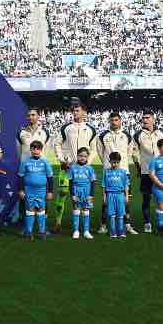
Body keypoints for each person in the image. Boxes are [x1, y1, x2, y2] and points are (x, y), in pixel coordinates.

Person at [55, 102, 97, 233]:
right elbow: (57, 144)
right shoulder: (66, 128)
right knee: (62, 194)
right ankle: (58, 222)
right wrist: (62, 159)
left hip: (83, 170)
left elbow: (94, 148)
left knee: (82, 196)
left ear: (84, 112)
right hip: (67, 168)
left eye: (77, 111)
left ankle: (81, 227)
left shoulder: (91, 129)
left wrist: (88, 162)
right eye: (73, 111)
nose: (75, 113)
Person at [97, 112, 136, 235]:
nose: (114, 122)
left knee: (126, 199)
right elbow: (100, 151)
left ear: (120, 121)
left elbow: (129, 152)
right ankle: (103, 225)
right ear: (109, 121)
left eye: (116, 120)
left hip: (124, 171)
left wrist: (122, 164)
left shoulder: (127, 136)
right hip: (108, 172)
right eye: (112, 120)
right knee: (106, 200)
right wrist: (107, 165)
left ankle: (127, 224)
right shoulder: (103, 135)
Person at [16, 109, 50, 237]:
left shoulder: (45, 131)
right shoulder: (21, 131)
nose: (31, 117)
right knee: (23, 198)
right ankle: (24, 227)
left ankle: (43, 227)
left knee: (43, 199)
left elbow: (45, 150)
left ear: (38, 116)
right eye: (29, 115)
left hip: (41, 171)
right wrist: (25, 163)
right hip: (26, 170)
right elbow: (18, 150)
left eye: (33, 114)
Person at [133, 112, 163, 234]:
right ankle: (147, 223)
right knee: (146, 198)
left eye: (147, 118)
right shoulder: (138, 134)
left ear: (153, 119)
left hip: (161, 171)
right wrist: (138, 167)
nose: (145, 120)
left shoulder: (162, 132)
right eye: (143, 118)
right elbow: (134, 152)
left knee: (162, 198)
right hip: (146, 172)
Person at [17, 140, 54, 241]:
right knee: (30, 210)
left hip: (41, 191)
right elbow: (20, 176)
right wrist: (20, 190)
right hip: (29, 190)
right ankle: (29, 232)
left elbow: (50, 177)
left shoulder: (45, 162)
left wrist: (50, 191)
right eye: (33, 149)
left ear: (41, 150)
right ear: (30, 150)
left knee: (41, 210)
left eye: (37, 149)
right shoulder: (25, 162)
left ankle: (42, 232)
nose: (35, 151)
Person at [67, 147, 97, 239]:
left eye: (85, 156)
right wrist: (72, 194)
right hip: (76, 190)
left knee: (86, 210)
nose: (82, 158)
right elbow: (71, 182)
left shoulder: (90, 168)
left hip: (86, 191)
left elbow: (92, 182)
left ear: (87, 157)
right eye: (80, 156)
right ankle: (76, 231)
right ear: (77, 156)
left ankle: (86, 231)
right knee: (76, 209)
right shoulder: (72, 167)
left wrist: (91, 195)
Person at [102, 152, 131, 239]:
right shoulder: (106, 172)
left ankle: (121, 232)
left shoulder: (123, 172)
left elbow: (126, 185)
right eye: (113, 162)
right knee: (112, 214)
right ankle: (112, 232)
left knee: (121, 214)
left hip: (120, 195)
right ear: (109, 161)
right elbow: (103, 185)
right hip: (110, 195)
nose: (115, 164)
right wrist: (104, 196)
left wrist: (126, 196)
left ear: (120, 162)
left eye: (117, 162)